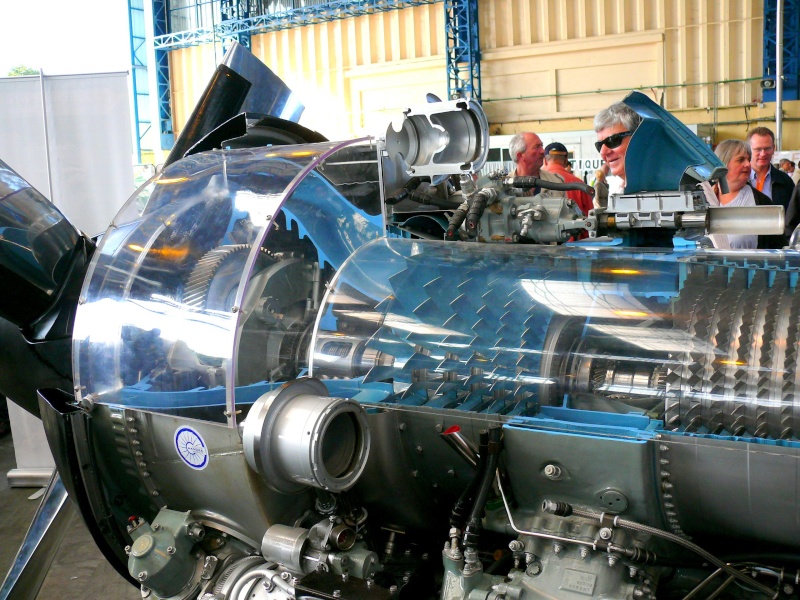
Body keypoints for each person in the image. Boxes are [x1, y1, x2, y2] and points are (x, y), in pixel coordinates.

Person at [699, 139, 783, 249]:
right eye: (741, 160)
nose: (748, 164)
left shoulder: (762, 202)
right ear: (723, 164)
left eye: (748, 159)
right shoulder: (703, 198)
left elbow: (778, 248)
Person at [594, 102, 643, 194]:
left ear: (638, 137)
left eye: (612, 140)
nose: (603, 152)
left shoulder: (671, 188)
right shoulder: (614, 190)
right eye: (599, 145)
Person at [746, 127, 794, 211]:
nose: (763, 154)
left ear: (773, 148)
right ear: (748, 149)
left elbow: (792, 213)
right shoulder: (738, 179)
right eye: (758, 149)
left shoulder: (786, 181)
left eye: (767, 148)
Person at [542, 142, 593, 216]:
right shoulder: (580, 185)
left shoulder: (538, 183)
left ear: (545, 161)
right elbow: (590, 216)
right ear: (566, 160)